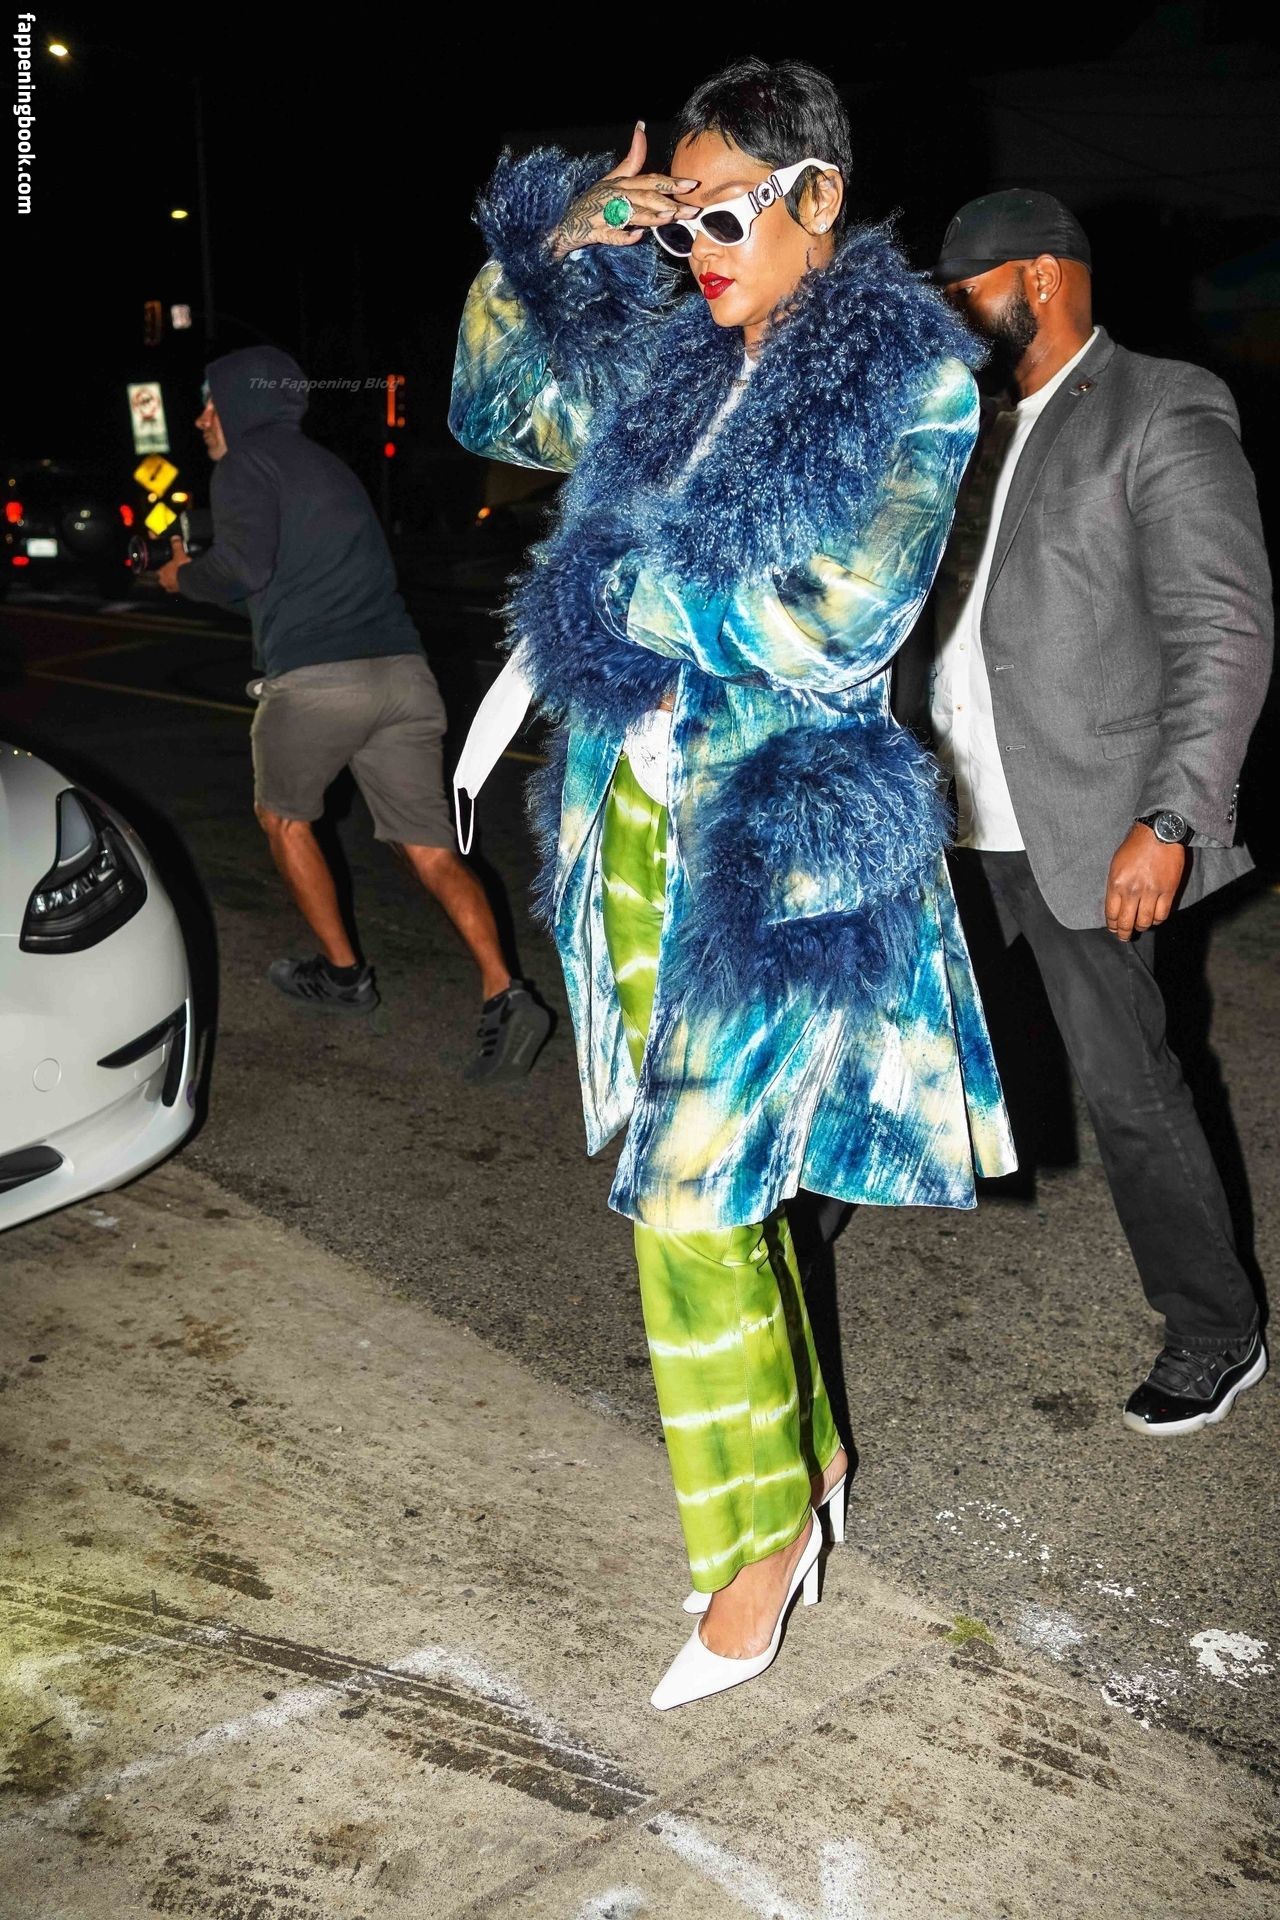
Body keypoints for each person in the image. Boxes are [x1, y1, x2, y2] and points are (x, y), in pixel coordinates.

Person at [449, 59, 1015, 1709]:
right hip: (635, 821)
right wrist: (564, 236)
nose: (693, 247)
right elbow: (494, 411)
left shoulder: (910, 380)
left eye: (723, 215)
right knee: (717, 1172)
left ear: (816, 199)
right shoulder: (672, 366)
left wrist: (613, 589)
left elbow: (834, 618)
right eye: (677, 218)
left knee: (688, 1196)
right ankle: (811, 1456)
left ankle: (755, 1550)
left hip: (782, 838)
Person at [903, 189, 1272, 1435]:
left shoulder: (1158, 406)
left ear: (1040, 279)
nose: (947, 310)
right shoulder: (964, 427)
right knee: (885, 1037)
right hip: (942, 812)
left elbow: (1221, 628)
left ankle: (1214, 1329)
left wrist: (1169, 820)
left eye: (963, 287)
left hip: (1081, 816)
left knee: (1126, 1085)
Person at [155, 345, 549, 1084]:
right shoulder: (329, 469)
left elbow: (241, 568)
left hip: (317, 684)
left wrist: (182, 576)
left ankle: (343, 975)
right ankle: (506, 991)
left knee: (283, 820)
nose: (203, 419)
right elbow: (278, 583)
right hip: (404, 678)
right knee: (430, 849)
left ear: (241, 402)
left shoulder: (243, 465)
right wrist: (214, 581)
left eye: (211, 402)